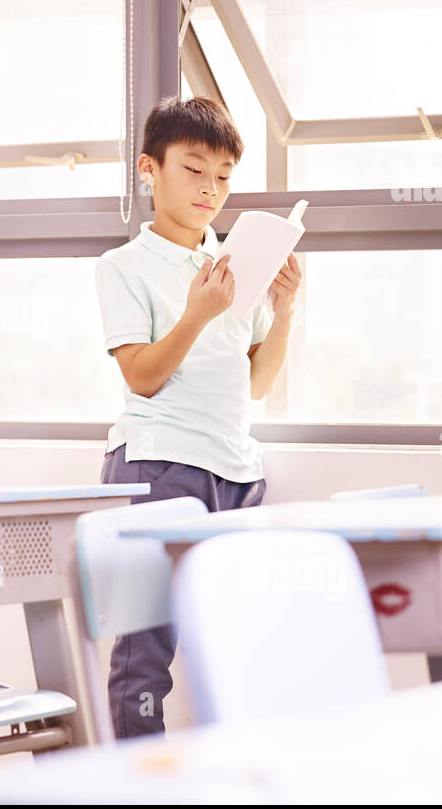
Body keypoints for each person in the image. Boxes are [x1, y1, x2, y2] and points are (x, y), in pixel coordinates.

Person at [94, 94, 302, 738]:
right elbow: (143, 378)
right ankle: (137, 789)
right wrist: (196, 314)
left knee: (238, 644)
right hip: (159, 467)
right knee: (145, 652)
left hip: (236, 471)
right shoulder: (122, 267)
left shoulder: (235, 265)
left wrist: (286, 309)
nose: (210, 188)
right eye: (194, 170)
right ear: (149, 170)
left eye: (223, 176)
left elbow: (258, 382)